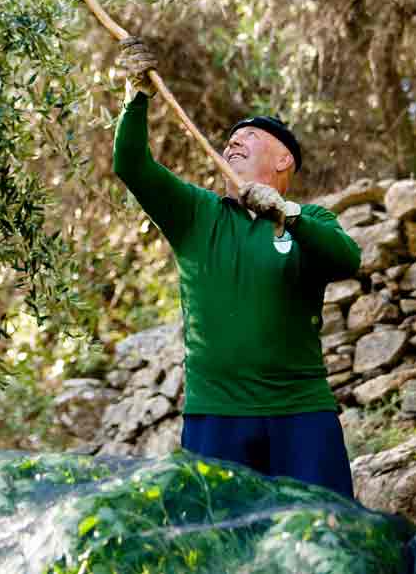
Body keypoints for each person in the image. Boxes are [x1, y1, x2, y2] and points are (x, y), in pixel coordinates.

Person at [114, 36, 361, 497]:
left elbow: (347, 259)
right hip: (215, 419)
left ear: (284, 158)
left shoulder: (311, 221)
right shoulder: (195, 214)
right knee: (219, 551)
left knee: (326, 540)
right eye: (231, 139)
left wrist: (287, 215)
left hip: (301, 415)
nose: (233, 142)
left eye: (249, 136)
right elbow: (130, 164)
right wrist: (136, 96)